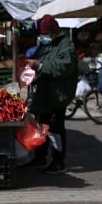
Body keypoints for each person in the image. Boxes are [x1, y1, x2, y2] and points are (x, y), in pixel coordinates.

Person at [23, 14, 77, 174]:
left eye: (45, 34)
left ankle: (58, 161)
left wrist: (40, 65)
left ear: (54, 32)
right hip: (43, 94)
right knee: (41, 127)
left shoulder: (66, 45)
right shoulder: (46, 45)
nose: (43, 37)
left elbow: (63, 66)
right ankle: (40, 157)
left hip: (57, 95)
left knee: (55, 129)